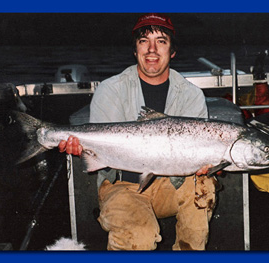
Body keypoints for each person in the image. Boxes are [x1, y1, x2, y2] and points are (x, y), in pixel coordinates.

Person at [59, 13, 219, 250]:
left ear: (172, 51)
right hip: (122, 185)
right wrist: (83, 149)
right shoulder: (111, 89)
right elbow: (99, 149)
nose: (152, 49)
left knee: (204, 185)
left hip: (170, 184)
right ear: (135, 49)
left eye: (161, 41)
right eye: (144, 41)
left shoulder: (191, 94)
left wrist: (205, 164)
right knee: (140, 237)